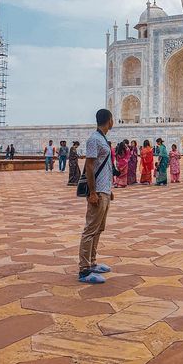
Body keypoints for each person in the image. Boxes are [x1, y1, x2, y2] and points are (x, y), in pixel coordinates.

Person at [78, 108, 114, 284]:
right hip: (97, 192)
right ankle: (84, 270)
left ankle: (92, 263)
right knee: (90, 230)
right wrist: (92, 192)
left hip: (104, 190)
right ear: (109, 120)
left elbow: (104, 166)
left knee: (98, 229)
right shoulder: (94, 139)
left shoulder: (102, 139)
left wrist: (109, 188)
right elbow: (90, 166)